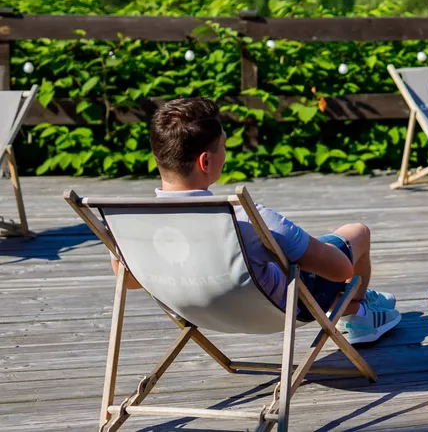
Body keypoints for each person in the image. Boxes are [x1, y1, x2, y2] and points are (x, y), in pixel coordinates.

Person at [109, 97, 401, 344]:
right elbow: (340, 270)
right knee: (355, 232)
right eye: (223, 147)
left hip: (194, 309)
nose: (225, 153)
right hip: (279, 308)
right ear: (205, 162)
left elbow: (130, 281)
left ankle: (356, 307)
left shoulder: (129, 225)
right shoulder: (246, 218)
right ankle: (357, 314)